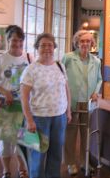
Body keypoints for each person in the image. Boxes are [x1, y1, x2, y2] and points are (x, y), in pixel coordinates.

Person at [20, 33, 71, 178]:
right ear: (37, 48)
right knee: (38, 156)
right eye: (43, 45)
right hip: (38, 119)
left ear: (54, 47)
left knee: (56, 154)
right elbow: (24, 97)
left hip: (59, 117)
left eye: (50, 45)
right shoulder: (31, 69)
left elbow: (66, 88)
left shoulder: (60, 65)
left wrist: (68, 111)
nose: (47, 48)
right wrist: (29, 120)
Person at [0, 25, 30, 178]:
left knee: (22, 140)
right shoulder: (0, 59)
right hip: (7, 105)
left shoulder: (29, 58)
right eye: (13, 40)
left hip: (25, 105)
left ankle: (22, 168)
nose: (17, 44)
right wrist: (5, 92)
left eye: (19, 40)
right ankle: (6, 170)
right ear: (8, 41)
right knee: (6, 141)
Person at [62, 30, 102, 176]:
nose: (85, 44)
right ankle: (70, 163)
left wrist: (96, 92)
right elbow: (61, 76)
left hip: (87, 102)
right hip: (72, 101)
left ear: (92, 43)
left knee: (86, 133)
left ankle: (85, 162)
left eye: (88, 41)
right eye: (82, 41)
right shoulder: (68, 58)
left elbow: (99, 79)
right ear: (77, 43)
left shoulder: (96, 61)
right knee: (70, 133)